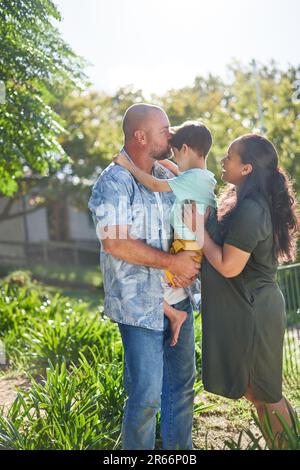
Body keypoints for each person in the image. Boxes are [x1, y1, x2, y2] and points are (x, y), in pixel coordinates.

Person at [88, 103, 200, 450]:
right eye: (164, 128)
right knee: (146, 398)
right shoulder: (114, 182)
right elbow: (116, 242)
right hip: (139, 310)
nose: (171, 133)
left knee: (181, 390)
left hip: (179, 303)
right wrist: (172, 262)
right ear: (140, 135)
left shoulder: (165, 175)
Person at [183, 133, 299, 448]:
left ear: (247, 168)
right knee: (256, 392)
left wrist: (197, 232)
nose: (223, 160)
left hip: (255, 312)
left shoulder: (253, 208)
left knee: (266, 394)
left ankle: (289, 444)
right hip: (249, 308)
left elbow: (229, 265)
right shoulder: (241, 200)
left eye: (230, 156)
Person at [114, 121, 216, 346]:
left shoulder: (191, 179)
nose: (175, 159)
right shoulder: (202, 178)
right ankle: (175, 312)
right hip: (190, 245)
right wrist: (157, 156)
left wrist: (128, 164)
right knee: (161, 278)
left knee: (141, 279)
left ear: (186, 149)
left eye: (176, 153)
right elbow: (177, 170)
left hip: (186, 247)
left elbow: (155, 184)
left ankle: (174, 315)